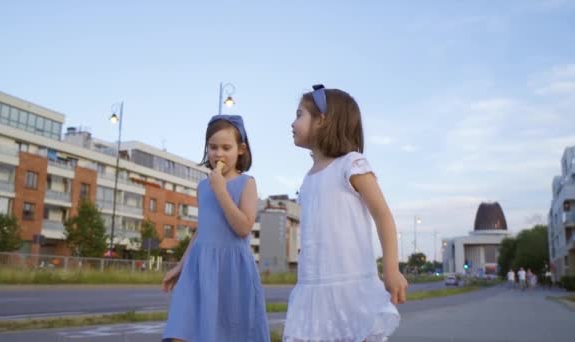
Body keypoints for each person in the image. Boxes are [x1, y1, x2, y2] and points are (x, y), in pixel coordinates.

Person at [284, 85, 406, 342]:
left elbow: (383, 215)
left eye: (299, 115)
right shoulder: (308, 178)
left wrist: (391, 269)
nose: (292, 123)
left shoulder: (351, 164)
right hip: (312, 286)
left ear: (322, 120)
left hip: (350, 284)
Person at [161, 115, 270, 342]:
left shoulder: (247, 183)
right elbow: (202, 231)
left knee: (228, 332)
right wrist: (180, 267)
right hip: (198, 267)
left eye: (226, 147)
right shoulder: (203, 186)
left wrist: (221, 190)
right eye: (213, 147)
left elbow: (243, 227)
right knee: (180, 328)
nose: (218, 154)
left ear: (240, 149)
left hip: (230, 268)